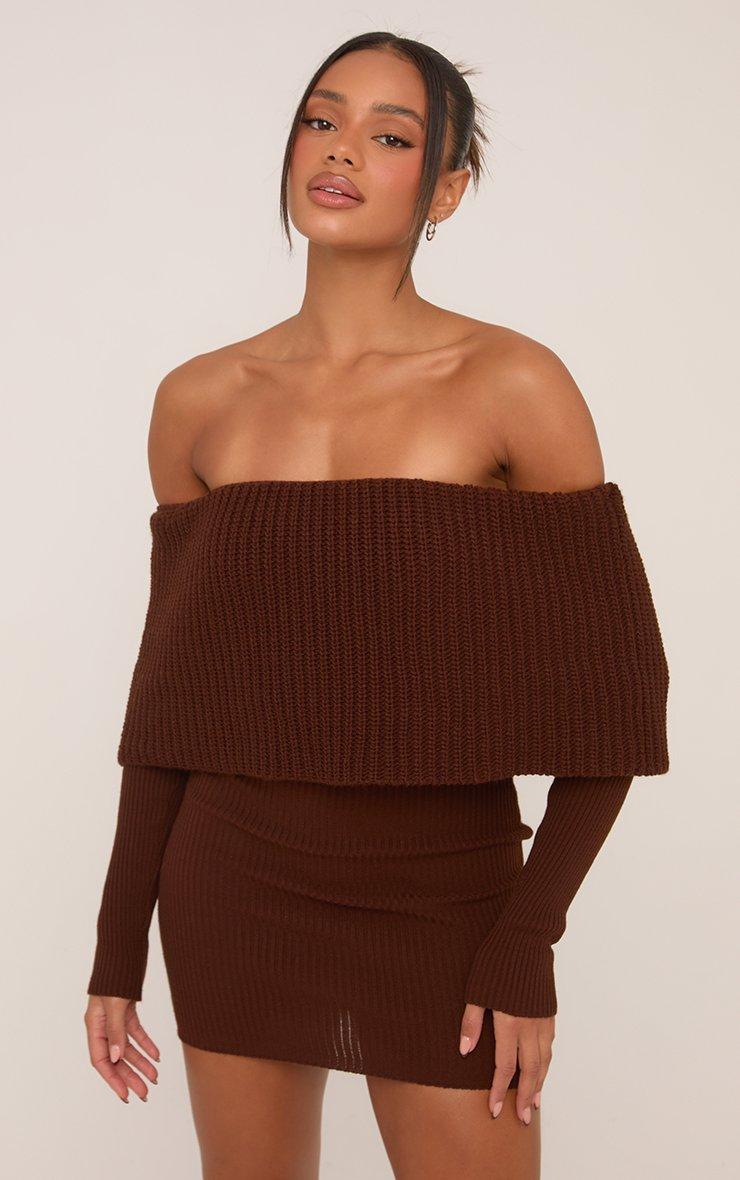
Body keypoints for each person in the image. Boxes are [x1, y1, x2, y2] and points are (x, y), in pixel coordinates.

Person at [84, 30, 669, 1180]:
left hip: (445, 896)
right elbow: (171, 706)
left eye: (389, 135)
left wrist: (527, 936)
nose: (341, 148)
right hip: (232, 886)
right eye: (320, 119)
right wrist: (116, 948)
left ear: (445, 186)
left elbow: (613, 704)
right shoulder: (197, 401)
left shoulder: (513, 384)